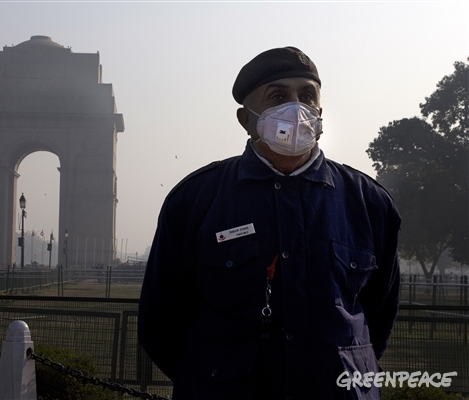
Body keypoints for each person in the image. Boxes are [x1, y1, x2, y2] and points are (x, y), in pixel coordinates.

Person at [137, 47, 401, 400]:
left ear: (320, 111)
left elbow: (379, 314)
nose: (297, 107)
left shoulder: (367, 203)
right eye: (278, 96)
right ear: (246, 118)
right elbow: (161, 323)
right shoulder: (195, 200)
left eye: (307, 95)